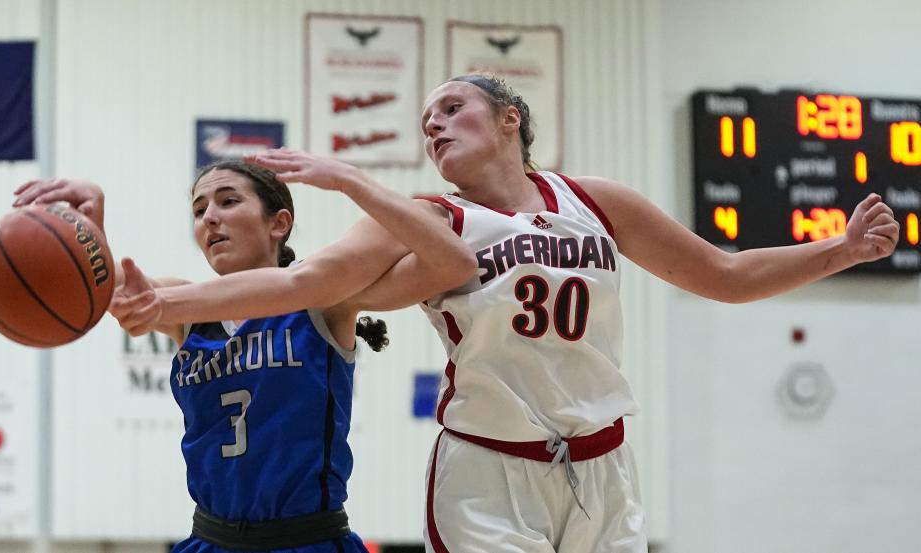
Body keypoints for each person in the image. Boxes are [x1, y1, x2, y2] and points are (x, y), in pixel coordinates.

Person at [106, 75, 900, 553]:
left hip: (602, 460)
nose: (433, 126)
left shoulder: (595, 201)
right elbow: (299, 282)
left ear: (509, 118)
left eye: (451, 109)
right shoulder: (422, 215)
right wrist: (163, 301)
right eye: (425, 124)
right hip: (489, 465)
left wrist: (837, 250)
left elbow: (723, 274)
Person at [12, 157, 476, 553]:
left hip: (305, 538)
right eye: (199, 210)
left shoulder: (322, 297)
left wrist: (353, 181)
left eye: (228, 201)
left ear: (279, 223)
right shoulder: (187, 308)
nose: (209, 218)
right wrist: (90, 227)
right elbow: (111, 290)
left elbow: (447, 265)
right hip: (210, 539)